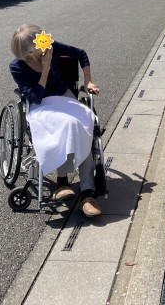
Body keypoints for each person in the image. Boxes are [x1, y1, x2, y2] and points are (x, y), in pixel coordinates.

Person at [9, 23, 103, 218]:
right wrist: (45, 68)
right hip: (41, 104)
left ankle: (87, 193)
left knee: (81, 126)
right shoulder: (17, 67)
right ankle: (62, 181)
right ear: (30, 52)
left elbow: (81, 53)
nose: (46, 42)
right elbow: (35, 97)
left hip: (63, 96)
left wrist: (88, 80)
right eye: (40, 42)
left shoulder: (50, 46)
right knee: (64, 126)